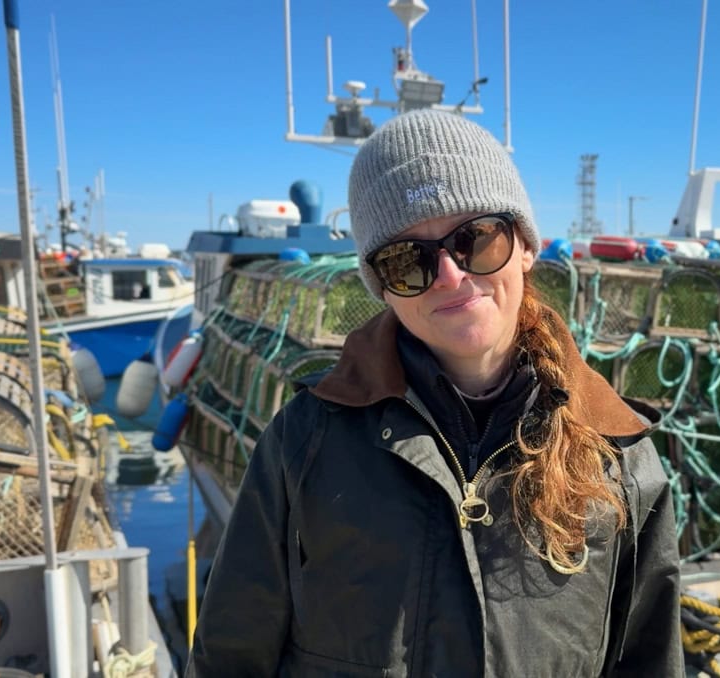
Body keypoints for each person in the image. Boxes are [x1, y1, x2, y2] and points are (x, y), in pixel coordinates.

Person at [187, 109, 683, 676]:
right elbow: (230, 654)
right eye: (407, 261)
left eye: (476, 239)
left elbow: (650, 659)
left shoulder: (620, 458)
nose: (449, 275)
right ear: (383, 287)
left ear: (523, 245)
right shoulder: (304, 440)